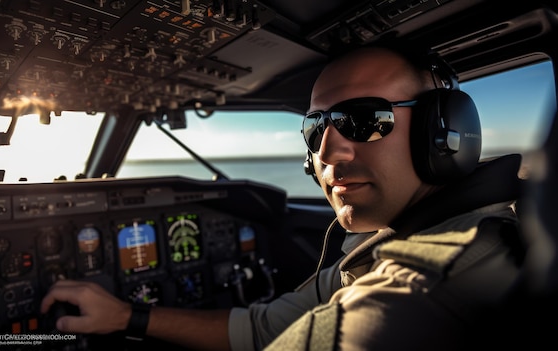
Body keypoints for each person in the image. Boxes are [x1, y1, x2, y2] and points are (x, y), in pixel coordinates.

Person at [41, 43, 525, 350]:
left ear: (444, 133)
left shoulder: (407, 295)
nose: (326, 151)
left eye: (364, 119)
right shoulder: (399, 242)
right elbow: (262, 329)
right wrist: (127, 316)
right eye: (315, 127)